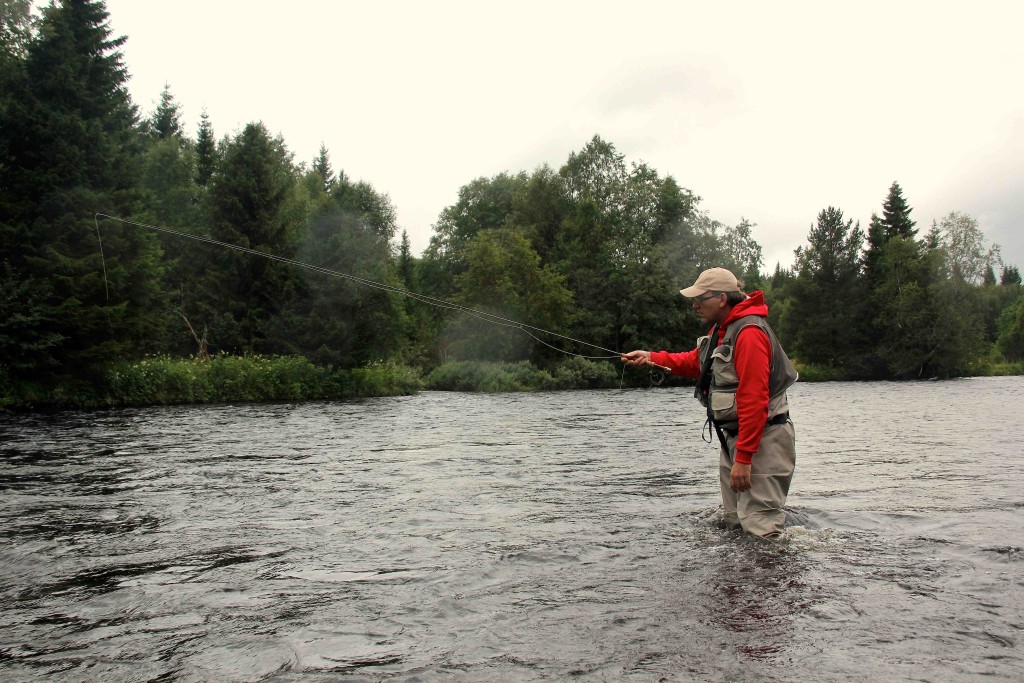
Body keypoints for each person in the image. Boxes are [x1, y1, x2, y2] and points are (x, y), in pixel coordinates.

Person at [621, 267, 798, 537]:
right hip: (737, 441)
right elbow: (696, 362)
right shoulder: (723, 329)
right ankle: (740, 579)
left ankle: (772, 576)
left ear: (722, 299)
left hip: (763, 441)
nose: (694, 305)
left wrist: (745, 459)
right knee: (734, 524)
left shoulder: (749, 333)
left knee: (762, 528)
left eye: (700, 299)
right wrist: (651, 356)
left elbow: (754, 399)